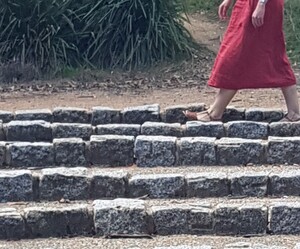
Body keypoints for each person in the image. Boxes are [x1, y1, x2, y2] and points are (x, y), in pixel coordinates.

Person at [184, 0, 300, 122]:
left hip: (262, 5)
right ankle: (215, 111)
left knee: (266, 55)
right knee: (238, 54)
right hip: (247, 4)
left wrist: (261, 4)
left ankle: (215, 112)